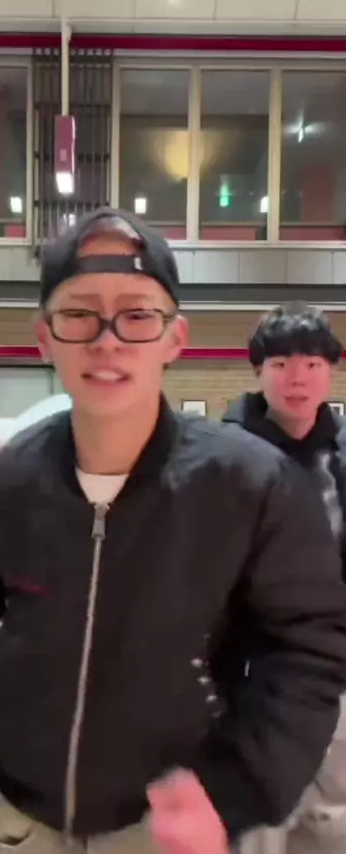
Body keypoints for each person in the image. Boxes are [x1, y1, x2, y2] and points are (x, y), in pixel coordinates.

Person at [0, 209, 346, 854]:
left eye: (136, 315)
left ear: (175, 338)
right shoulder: (3, 483)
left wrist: (233, 789)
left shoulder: (250, 484)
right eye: (79, 314)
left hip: (170, 824)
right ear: (44, 338)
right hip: (20, 821)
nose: (107, 340)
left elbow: (308, 650)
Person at [222, 303, 346, 854]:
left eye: (313, 364)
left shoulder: (340, 456)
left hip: (333, 670)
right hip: (252, 675)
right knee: (257, 819)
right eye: (281, 364)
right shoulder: (221, 457)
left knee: (330, 819)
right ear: (258, 371)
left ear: (331, 372)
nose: (298, 378)